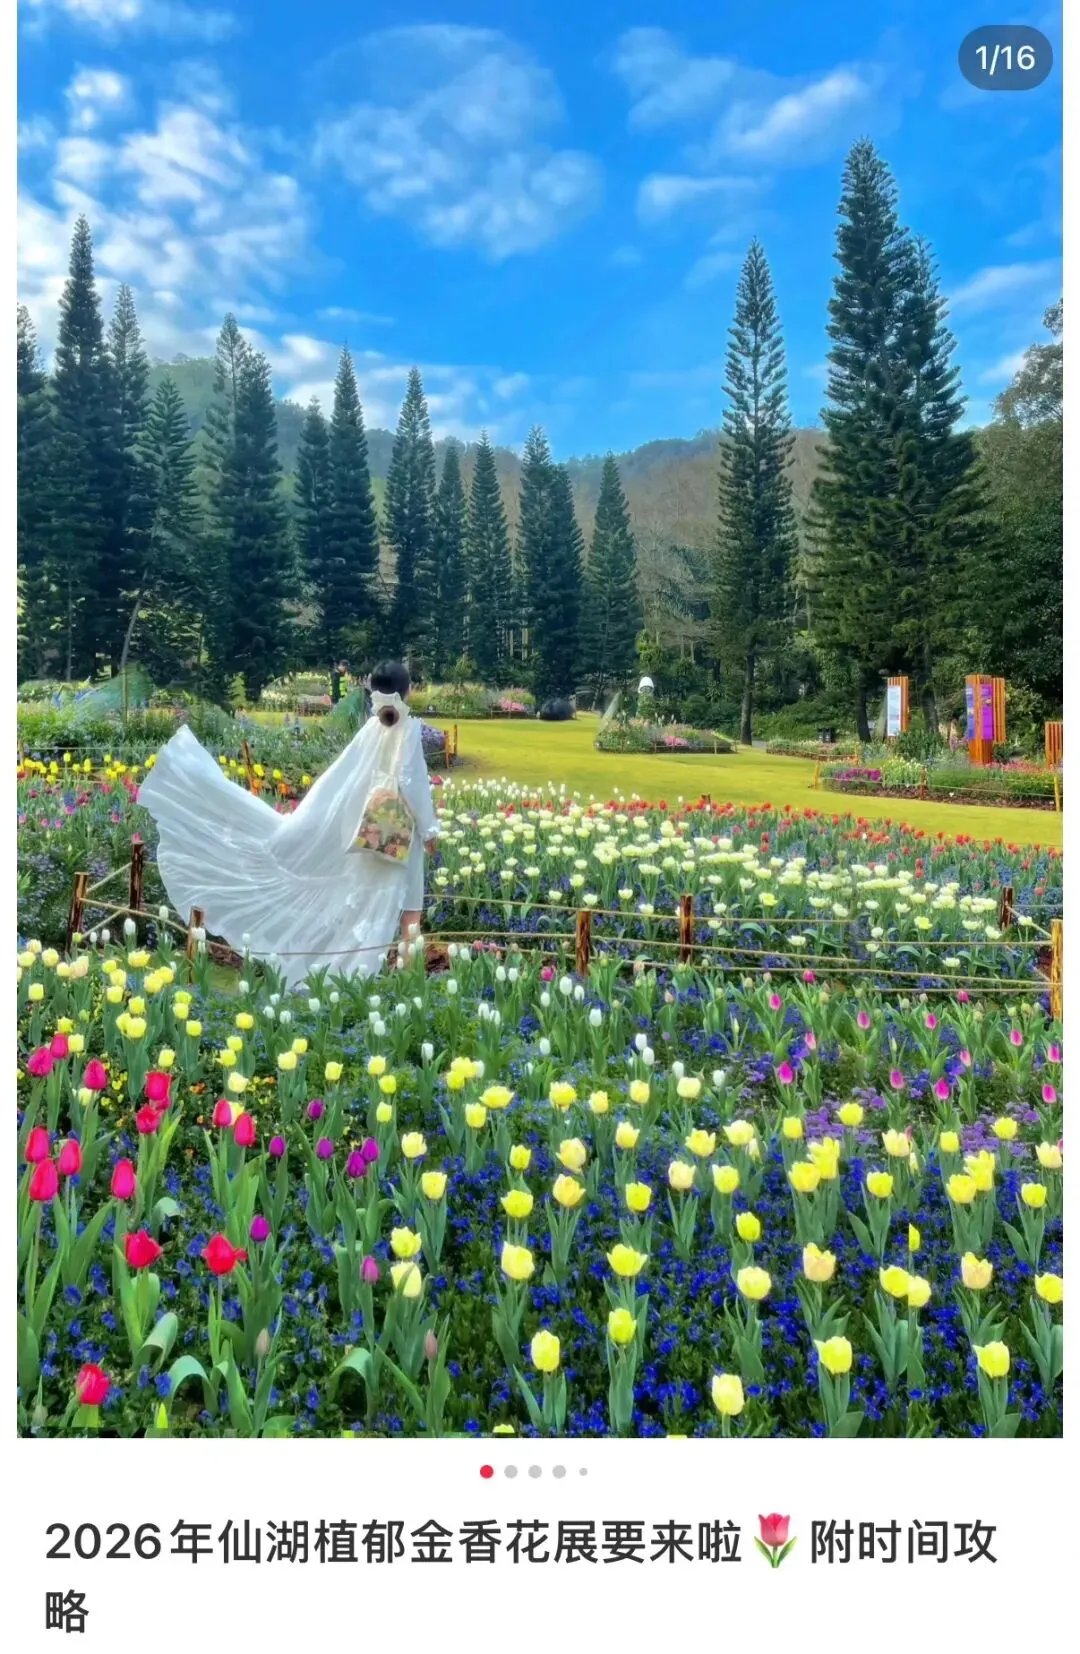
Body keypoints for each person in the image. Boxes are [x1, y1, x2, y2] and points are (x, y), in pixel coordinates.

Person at [137, 659, 439, 988]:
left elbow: (340, 782)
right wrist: (429, 830)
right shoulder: (408, 730)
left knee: (370, 906)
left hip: (370, 833)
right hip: (398, 835)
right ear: (407, 690)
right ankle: (408, 984)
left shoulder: (372, 727)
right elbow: (413, 785)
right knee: (410, 912)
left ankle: (369, 976)